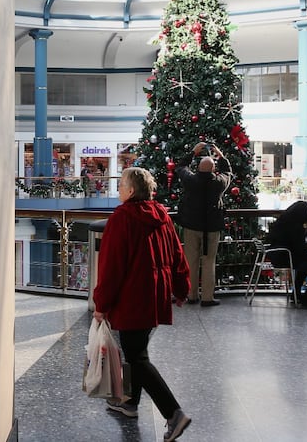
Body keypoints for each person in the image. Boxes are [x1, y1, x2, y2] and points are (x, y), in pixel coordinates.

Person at [92, 167, 191, 442]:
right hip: (155, 294)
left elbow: (111, 267)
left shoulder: (122, 218)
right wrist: (181, 288)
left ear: (131, 190)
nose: (118, 190)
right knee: (136, 347)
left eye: (121, 185)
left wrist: (101, 304)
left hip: (131, 297)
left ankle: (174, 414)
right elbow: (177, 254)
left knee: (137, 356)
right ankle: (129, 402)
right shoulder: (161, 216)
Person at [175, 141, 232, 306]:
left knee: (191, 261)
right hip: (212, 229)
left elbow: (180, 167)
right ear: (214, 169)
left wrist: (193, 152)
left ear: (198, 168)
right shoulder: (219, 183)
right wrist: (220, 156)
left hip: (191, 227)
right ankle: (207, 297)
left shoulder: (190, 181)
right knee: (209, 262)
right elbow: (228, 171)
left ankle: (191, 295)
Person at [266, 200, 307, 308]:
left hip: (277, 256)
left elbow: (293, 244)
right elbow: (301, 250)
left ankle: (296, 294)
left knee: (305, 263)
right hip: (288, 258)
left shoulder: (282, 223)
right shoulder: (297, 227)